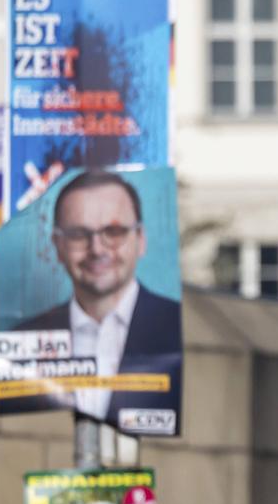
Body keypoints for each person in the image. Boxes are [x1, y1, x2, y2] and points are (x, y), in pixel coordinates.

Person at [11, 168, 182, 431]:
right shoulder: (22, 341)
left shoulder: (175, 327)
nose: (97, 249)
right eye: (79, 234)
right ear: (57, 246)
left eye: (113, 232)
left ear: (140, 239)